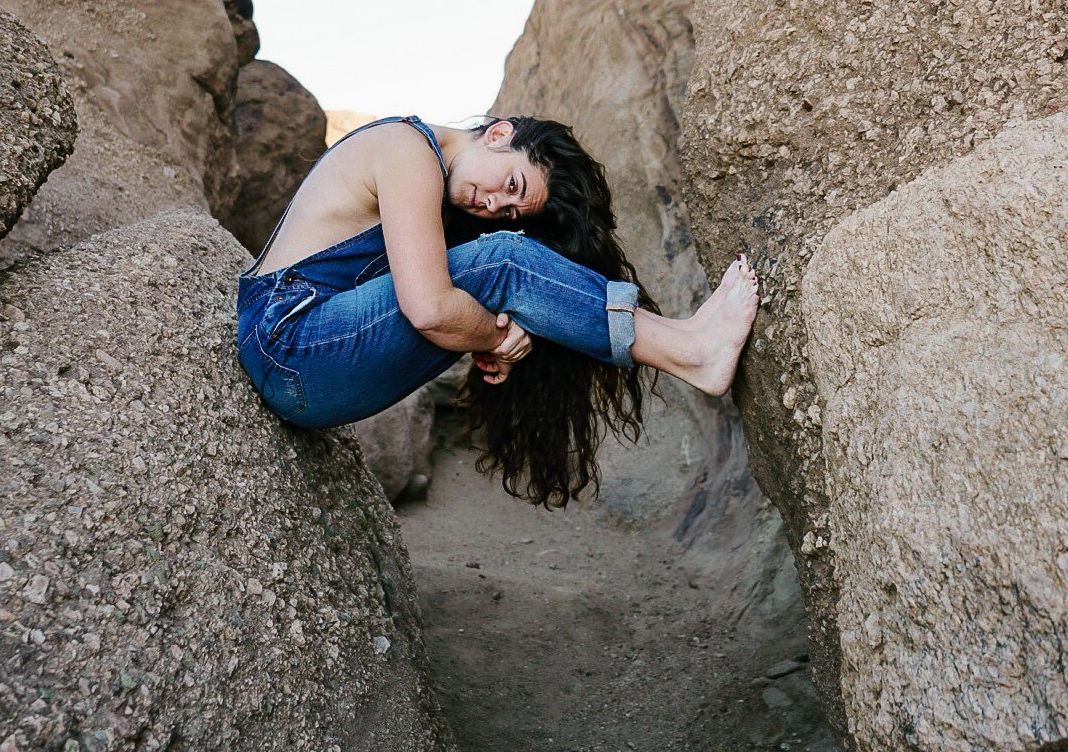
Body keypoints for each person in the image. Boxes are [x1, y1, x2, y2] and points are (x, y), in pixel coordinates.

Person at [236, 115, 758, 507]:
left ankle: (683, 337)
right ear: (499, 134)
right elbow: (430, 309)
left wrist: (482, 330)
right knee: (505, 261)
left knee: (497, 267)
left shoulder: (437, 180)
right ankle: (692, 351)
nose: (491, 205)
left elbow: (430, 307)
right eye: (511, 185)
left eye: (509, 209)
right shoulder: (406, 148)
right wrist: (492, 336)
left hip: (308, 367)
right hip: (290, 339)